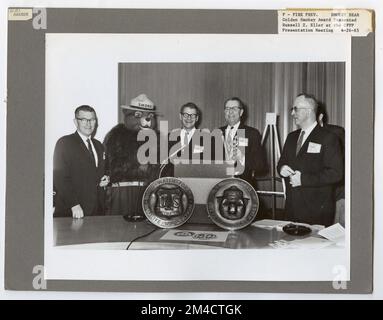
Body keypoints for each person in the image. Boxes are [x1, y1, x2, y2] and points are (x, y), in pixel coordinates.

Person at [277, 94, 343, 226]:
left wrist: (303, 179)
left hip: (317, 211)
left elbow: (336, 173)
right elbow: (281, 163)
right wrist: (282, 169)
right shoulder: (291, 137)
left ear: (308, 110)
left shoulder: (328, 138)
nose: (292, 113)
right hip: (291, 209)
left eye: (295, 109)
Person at [53, 105, 109, 218]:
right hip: (72, 211)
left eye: (92, 120)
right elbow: (60, 178)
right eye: (84, 120)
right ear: (75, 121)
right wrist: (74, 205)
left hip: (96, 211)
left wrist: (106, 179)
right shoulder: (64, 143)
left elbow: (99, 172)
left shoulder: (99, 146)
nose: (89, 123)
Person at [218, 97, 267, 184]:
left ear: (241, 112)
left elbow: (260, 165)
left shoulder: (252, 133)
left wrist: (242, 158)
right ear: (224, 112)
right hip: (219, 184)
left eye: (234, 109)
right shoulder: (217, 133)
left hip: (243, 185)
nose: (230, 112)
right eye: (227, 109)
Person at [317, 103, 345, 226]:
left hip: (336, 191)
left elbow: (343, 163)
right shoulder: (301, 134)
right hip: (314, 192)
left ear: (320, 116)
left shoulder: (337, 132)